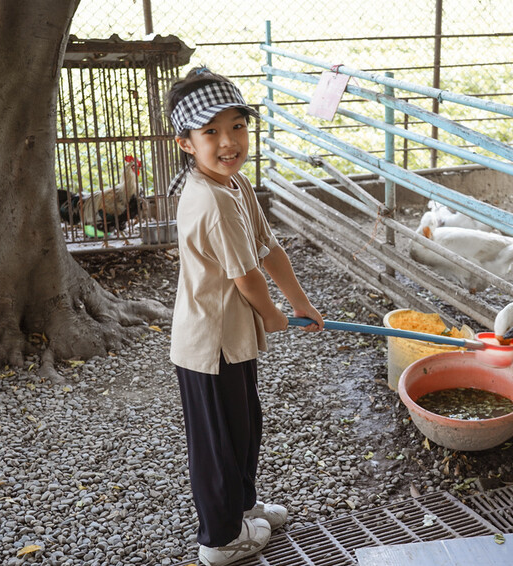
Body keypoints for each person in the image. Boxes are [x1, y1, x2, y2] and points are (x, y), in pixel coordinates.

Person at [165, 66, 324, 566]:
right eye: (210, 131)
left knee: (244, 425)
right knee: (217, 443)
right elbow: (245, 277)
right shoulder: (210, 199)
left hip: (232, 339)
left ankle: (243, 506)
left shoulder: (235, 185)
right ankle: (220, 540)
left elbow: (269, 249)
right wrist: (275, 314)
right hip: (209, 345)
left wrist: (299, 301)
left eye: (237, 126)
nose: (228, 141)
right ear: (186, 143)